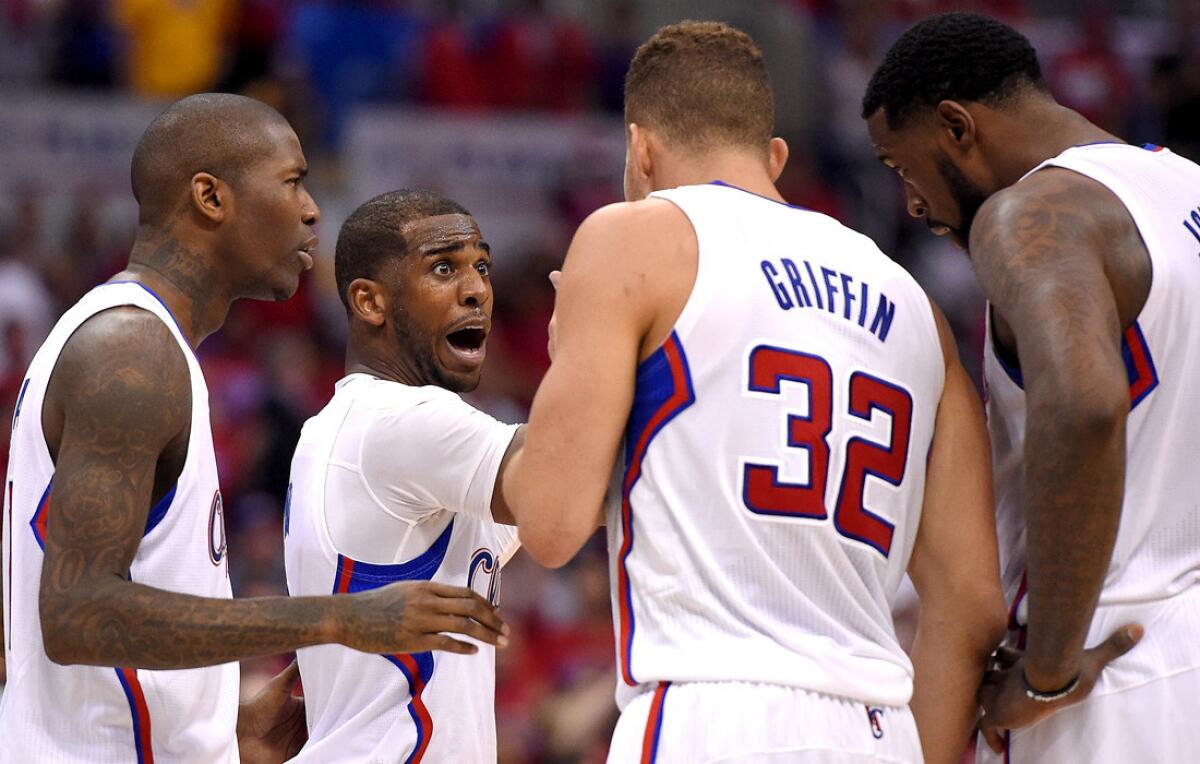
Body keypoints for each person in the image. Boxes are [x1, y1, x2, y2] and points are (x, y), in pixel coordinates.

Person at [505, 21, 1006, 763]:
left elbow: (549, 524)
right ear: (774, 158)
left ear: (640, 150)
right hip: (879, 725)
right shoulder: (915, 305)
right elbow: (972, 607)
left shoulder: (633, 238)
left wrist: (566, 353)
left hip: (713, 711)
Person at [0, 94, 506, 764]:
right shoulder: (130, 349)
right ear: (211, 197)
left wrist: (215, 719)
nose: (311, 209)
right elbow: (75, 616)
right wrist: (341, 619)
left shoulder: (138, 343)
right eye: (292, 181)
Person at [862, 11, 1200, 761]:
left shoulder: (1031, 216)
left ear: (956, 127)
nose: (913, 203)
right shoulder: (1185, 188)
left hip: (1111, 673)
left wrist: (1048, 671)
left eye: (901, 167)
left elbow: (1082, 407)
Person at [283, 190, 524, 763]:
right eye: (444, 268)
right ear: (370, 301)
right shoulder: (402, 422)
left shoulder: (352, 429)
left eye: (482, 267)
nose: (477, 290)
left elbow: (568, 493)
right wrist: (603, 343)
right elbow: (562, 479)